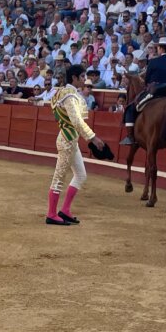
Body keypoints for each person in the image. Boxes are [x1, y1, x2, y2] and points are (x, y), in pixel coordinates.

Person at [45, 64, 110, 225]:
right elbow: (76, 121)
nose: (84, 80)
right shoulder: (69, 95)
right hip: (67, 140)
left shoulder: (65, 93)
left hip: (70, 140)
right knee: (59, 177)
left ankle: (65, 210)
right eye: (82, 77)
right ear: (74, 78)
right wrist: (93, 138)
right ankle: (51, 214)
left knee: (81, 175)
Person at [125, 36, 166, 146]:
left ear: (160, 48)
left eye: (158, 48)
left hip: (154, 92)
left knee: (131, 108)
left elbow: (147, 80)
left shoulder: (153, 62)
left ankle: (130, 137)